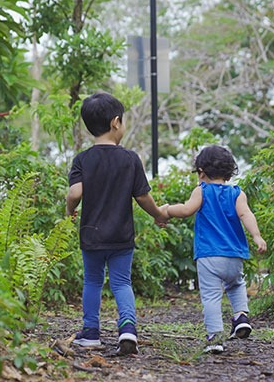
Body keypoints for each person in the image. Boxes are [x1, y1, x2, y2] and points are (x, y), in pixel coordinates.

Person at [66, 92, 169, 355]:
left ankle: (90, 332)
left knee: (92, 280)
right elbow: (143, 196)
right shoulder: (130, 159)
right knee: (121, 282)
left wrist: (70, 211)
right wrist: (158, 214)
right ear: (115, 122)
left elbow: (75, 193)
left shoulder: (82, 160)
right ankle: (127, 329)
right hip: (121, 236)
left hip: (91, 235)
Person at [163, 145, 267, 354]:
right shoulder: (237, 193)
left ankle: (215, 337)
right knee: (236, 284)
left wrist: (166, 211)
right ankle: (241, 317)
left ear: (201, 171)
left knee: (211, 296)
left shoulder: (201, 191)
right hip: (234, 255)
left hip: (209, 255)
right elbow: (246, 215)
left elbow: (185, 210)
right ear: (229, 173)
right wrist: (257, 236)